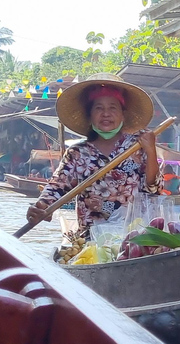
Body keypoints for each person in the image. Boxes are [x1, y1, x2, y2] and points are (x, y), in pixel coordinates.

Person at [27, 73, 163, 237]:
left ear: (123, 114)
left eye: (113, 107)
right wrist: (42, 207)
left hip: (133, 238)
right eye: (99, 108)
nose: (106, 114)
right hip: (91, 239)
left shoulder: (137, 147)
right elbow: (56, 187)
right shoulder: (77, 153)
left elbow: (154, 189)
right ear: (90, 115)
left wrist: (151, 150)